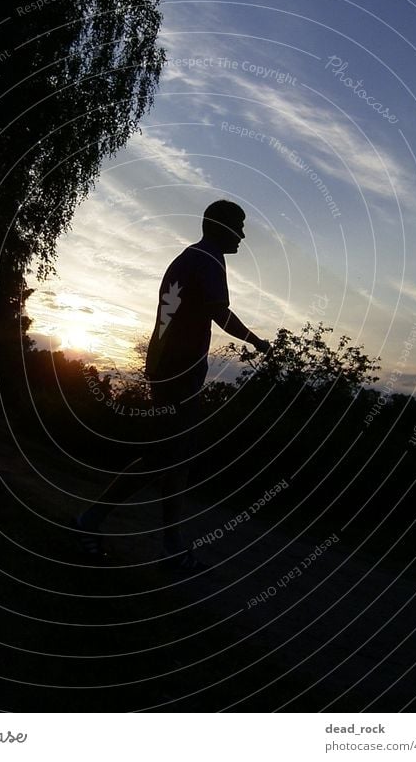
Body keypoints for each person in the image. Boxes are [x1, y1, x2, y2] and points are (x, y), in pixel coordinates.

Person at [73, 200, 270, 570]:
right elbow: (219, 313)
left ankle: (167, 542)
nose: (243, 235)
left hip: (170, 371)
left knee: (172, 460)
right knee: (162, 459)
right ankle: (99, 524)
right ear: (221, 226)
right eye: (239, 226)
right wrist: (256, 342)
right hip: (178, 373)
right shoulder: (209, 260)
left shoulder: (193, 257)